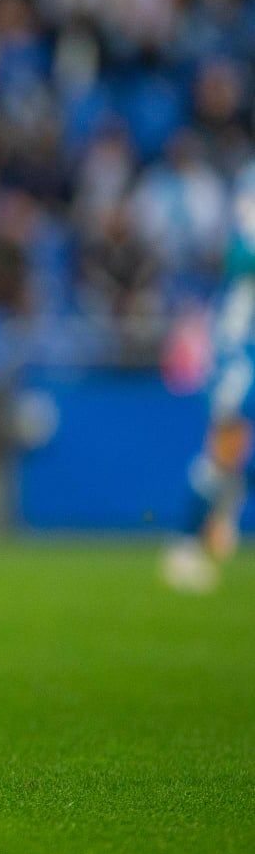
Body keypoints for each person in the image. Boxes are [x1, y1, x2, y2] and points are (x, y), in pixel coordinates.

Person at [161, 162, 255, 593]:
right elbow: (241, 254)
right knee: (226, 442)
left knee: (232, 446)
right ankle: (185, 543)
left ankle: (218, 521)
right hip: (244, 340)